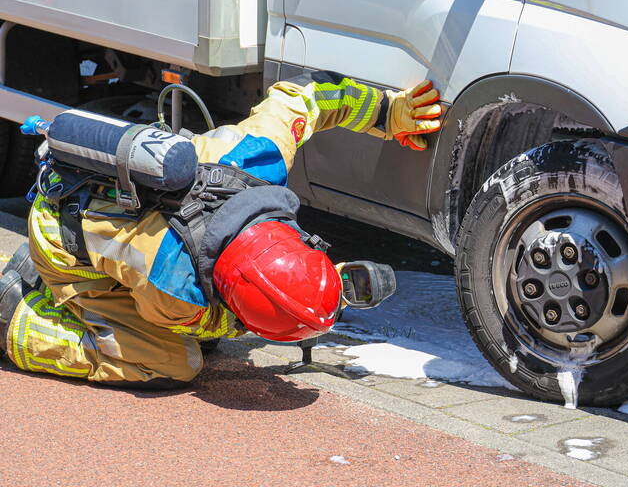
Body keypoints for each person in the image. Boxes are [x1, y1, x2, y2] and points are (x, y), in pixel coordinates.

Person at [0, 71, 443, 388]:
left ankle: (50, 285)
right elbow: (200, 322)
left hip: (85, 193)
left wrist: (390, 111)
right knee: (172, 362)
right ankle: (20, 316)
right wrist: (254, 321)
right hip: (61, 238)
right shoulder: (178, 290)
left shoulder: (259, 158)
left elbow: (307, 100)